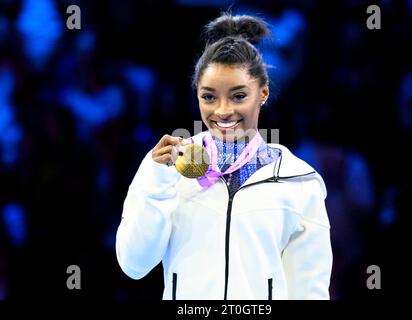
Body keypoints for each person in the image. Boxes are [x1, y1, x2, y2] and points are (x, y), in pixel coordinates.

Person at [116, 13, 333, 300]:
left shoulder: (299, 181)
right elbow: (134, 265)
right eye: (209, 97)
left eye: (238, 96)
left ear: (263, 93)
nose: (222, 111)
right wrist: (158, 181)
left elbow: (310, 291)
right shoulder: (165, 167)